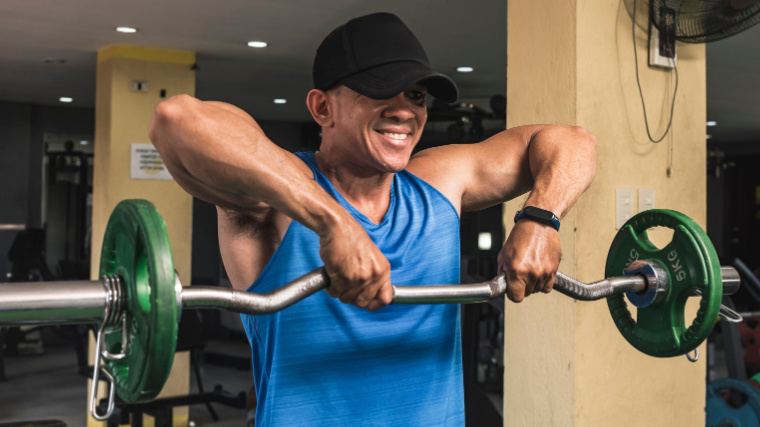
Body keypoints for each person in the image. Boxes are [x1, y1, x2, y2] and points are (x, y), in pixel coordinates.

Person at [149, 12, 596, 427]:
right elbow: (178, 119)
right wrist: (333, 223)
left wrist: (540, 218)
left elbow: (571, 142)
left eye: (416, 96)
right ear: (323, 108)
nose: (405, 111)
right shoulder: (275, 196)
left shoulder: (439, 181)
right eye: (381, 90)